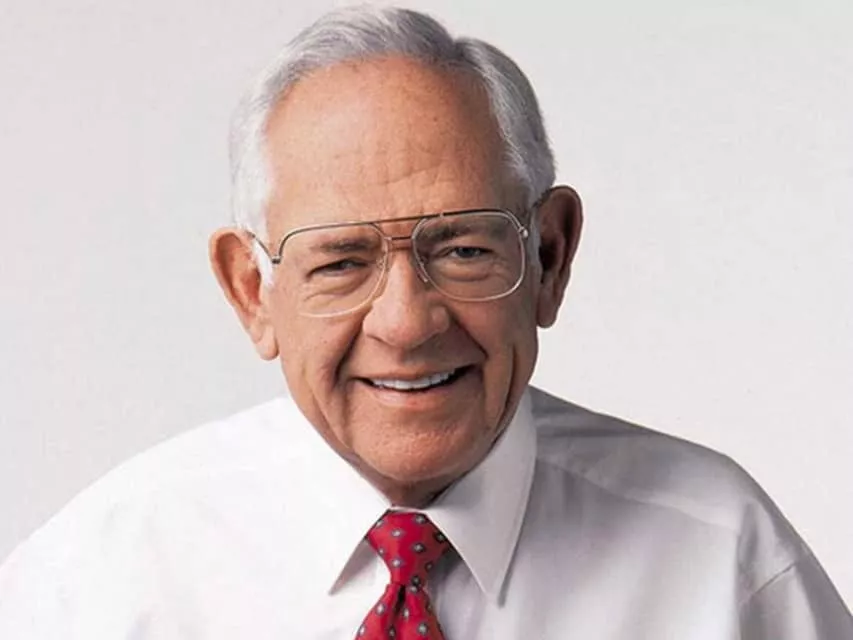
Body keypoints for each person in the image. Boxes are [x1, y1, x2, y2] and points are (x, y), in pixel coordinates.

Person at [0, 5, 850, 639]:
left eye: (464, 249)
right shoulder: (96, 586)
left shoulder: (723, 561)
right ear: (252, 291)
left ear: (548, 256)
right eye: (340, 262)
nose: (405, 325)